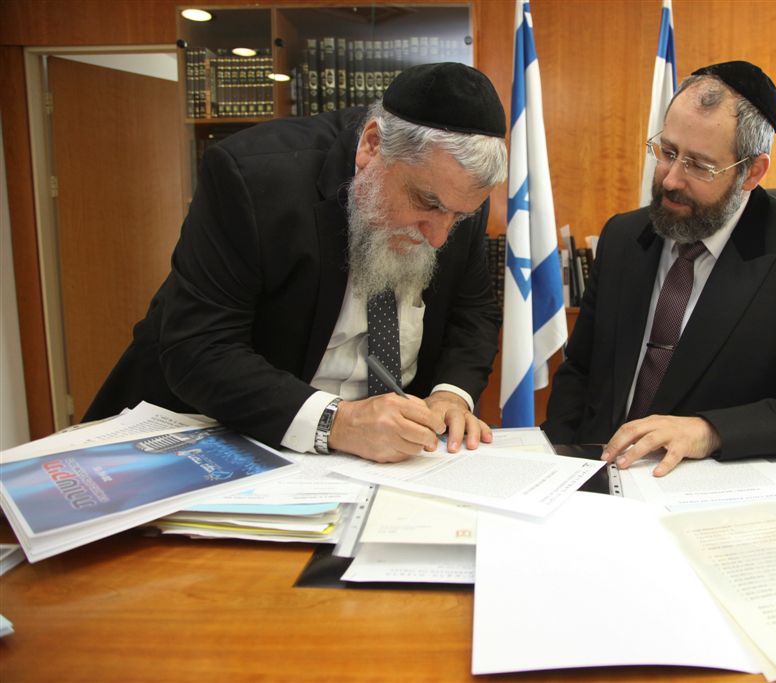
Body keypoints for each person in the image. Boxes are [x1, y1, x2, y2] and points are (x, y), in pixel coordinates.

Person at [84, 62, 508, 464]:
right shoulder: (252, 178)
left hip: (389, 454)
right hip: (233, 432)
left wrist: (451, 394)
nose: (438, 236)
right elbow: (200, 346)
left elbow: (473, 312)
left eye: (458, 216)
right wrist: (338, 422)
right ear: (373, 145)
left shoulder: (452, 196)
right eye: (426, 203)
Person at [542, 60, 776, 476]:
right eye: (668, 152)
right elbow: (581, 371)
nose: (671, 179)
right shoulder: (623, 237)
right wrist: (563, 462)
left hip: (710, 489)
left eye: (699, 165)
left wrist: (712, 430)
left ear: (752, 172)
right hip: (596, 477)